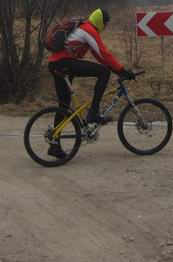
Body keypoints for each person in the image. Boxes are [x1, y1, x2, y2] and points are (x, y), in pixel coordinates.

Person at [47, 8, 134, 158]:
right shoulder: (89, 30)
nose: (105, 28)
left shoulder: (83, 27)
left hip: (56, 64)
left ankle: (55, 144)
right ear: (101, 22)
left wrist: (115, 68)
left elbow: (98, 55)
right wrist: (121, 71)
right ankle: (93, 112)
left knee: (64, 105)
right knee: (103, 72)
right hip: (65, 63)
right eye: (105, 24)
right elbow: (104, 53)